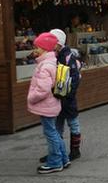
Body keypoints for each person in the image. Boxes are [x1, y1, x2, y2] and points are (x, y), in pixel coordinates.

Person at [29, 32, 70, 174]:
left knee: (50, 133)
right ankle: (63, 158)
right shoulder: (52, 62)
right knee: (54, 132)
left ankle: (55, 162)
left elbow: (42, 89)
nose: (35, 49)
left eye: (38, 47)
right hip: (52, 104)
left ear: (45, 48)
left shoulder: (45, 65)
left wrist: (31, 98)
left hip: (46, 105)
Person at [50, 28, 82, 161]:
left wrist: (68, 94)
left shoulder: (68, 58)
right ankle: (57, 151)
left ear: (59, 43)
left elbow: (74, 79)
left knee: (73, 123)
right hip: (58, 97)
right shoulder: (54, 56)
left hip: (67, 99)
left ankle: (75, 150)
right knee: (57, 125)